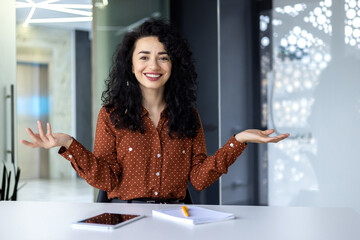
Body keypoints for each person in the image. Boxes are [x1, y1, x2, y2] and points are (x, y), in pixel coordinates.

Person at [21, 19, 289, 204]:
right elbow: (106, 179)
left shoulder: (188, 115)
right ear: (131, 64)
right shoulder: (112, 114)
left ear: (174, 65)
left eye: (163, 56)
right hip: (124, 216)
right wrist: (68, 144)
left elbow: (198, 179)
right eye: (144, 56)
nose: (154, 65)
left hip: (175, 217)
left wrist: (238, 141)